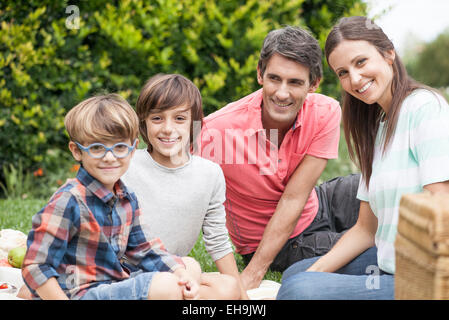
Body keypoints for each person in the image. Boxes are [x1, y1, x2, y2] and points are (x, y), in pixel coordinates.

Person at [277, 16, 449, 300]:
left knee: (300, 291)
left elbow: (442, 204)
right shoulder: (379, 128)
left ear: (388, 54)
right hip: (390, 263)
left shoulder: (425, 108)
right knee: (296, 275)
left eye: (361, 62)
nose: (354, 79)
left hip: (428, 278)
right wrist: (316, 273)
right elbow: (366, 230)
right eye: (343, 72)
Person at [199, 25, 361, 290]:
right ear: (260, 74)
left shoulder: (326, 111)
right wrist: (253, 273)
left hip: (315, 203)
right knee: (375, 245)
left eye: (295, 82)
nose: (282, 93)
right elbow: (168, 174)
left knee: (378, 187)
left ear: (314, 84)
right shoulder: (216, 131)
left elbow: (296, 196)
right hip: (275, 244)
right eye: (275, 78)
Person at [21, 94, 211, 300]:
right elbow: (36, 265)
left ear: (132, 149)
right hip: (77, 292)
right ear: (77, 151)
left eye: (119, 147)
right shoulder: (69, 200)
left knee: (189, 267)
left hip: (114, 283)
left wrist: (180, 273)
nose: (109, 157)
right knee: (166, 287)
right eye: (96, 148)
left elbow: (145, 250)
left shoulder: (126, 198)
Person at [121, 73, 245, 299]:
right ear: (144, 122)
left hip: (175, 272)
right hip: (125, 272)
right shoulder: (126, 166)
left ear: (194, 123)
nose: (168, 129)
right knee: (188, 271)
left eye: (179, 119)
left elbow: (217, 241)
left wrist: (242, 298)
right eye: (157, 118)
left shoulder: (209, 174)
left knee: (227, 288)